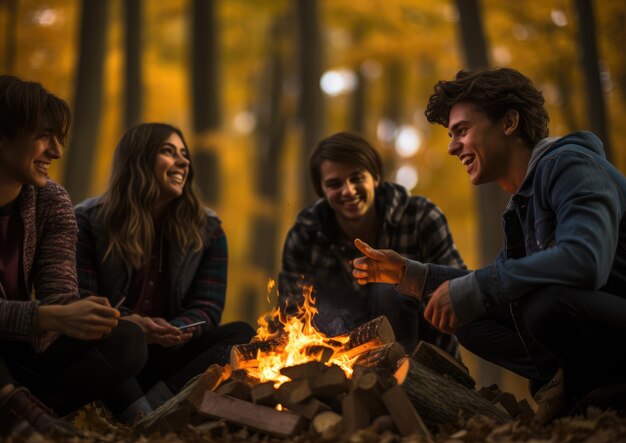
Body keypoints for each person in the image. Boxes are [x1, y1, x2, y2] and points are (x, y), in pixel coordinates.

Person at [352, 67, 626, 421]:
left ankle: (603, 394)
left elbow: (585, 260)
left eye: (462, 131)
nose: (452, 147)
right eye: (451, 135)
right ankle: (577, 391)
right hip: (602, 327)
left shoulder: (572, 166)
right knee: (469, 317)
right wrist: (410, 274)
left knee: (544, 302)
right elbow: (500, 282)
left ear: (509, 123)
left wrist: (480, 286)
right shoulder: (522, 205)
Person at [74, 122, 255, 421]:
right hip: (113, 352)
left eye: (184, 154)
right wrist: (131, 324)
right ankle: (139, 414)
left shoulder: (208, 229)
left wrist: (176, 330)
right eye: (169, 152)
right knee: (115, 339)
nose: (183, 161)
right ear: (138, 159)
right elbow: (80, 299)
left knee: (243, 335)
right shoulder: (89, 221)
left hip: (171, 355)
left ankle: (157, 411)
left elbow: (208, 308)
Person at [0, 75, 147, 436]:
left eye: (58, 138)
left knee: (126, 339)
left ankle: (29, 413)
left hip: (20, 348)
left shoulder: (51, 201)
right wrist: (51, 316)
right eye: (42, 136)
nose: (56, 151)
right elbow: (51, 313)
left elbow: (60, 294)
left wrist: (86, 316)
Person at [278, 131, 466, 355]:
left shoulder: (421, 218)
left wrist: (407, 282)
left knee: (390, 286)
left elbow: (459, 292)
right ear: (322, 190)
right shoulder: (305, 234)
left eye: (356, 178)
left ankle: (400, 375)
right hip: (339, 364)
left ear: (376, 177)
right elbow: (291, 311)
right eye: (334, 184)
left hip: (426, 359)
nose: (348, 191)